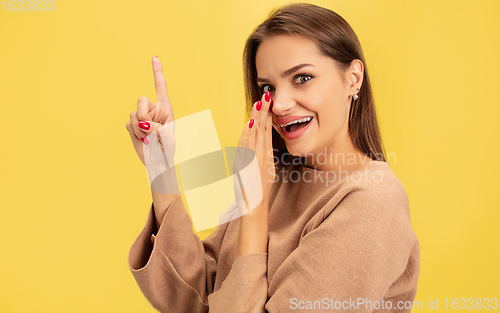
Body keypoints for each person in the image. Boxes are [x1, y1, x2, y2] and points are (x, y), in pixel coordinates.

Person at [125, 3, 420, 312]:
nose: (278, 104)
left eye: (302, 78)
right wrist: (161, 170)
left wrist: (254, 212)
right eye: (267, 87)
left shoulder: (372, 203)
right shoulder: (273, 177)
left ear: (353, 78)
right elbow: (197, 297)